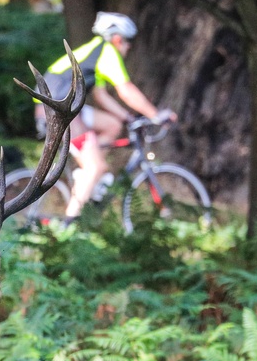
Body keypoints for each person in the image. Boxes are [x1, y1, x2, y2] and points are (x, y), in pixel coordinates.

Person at [35, 12, 176, 223]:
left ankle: (88, 175)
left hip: (62, 108)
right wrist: (155, 115)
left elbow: (101, 96)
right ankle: (69, 224)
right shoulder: (108, 52)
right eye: (128, 42)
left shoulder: (95, 52)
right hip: (58, 112)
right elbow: (126, 91)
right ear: (117, 39)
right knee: (96, 166)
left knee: (113, 125)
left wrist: (128, 118)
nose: (129, 47)